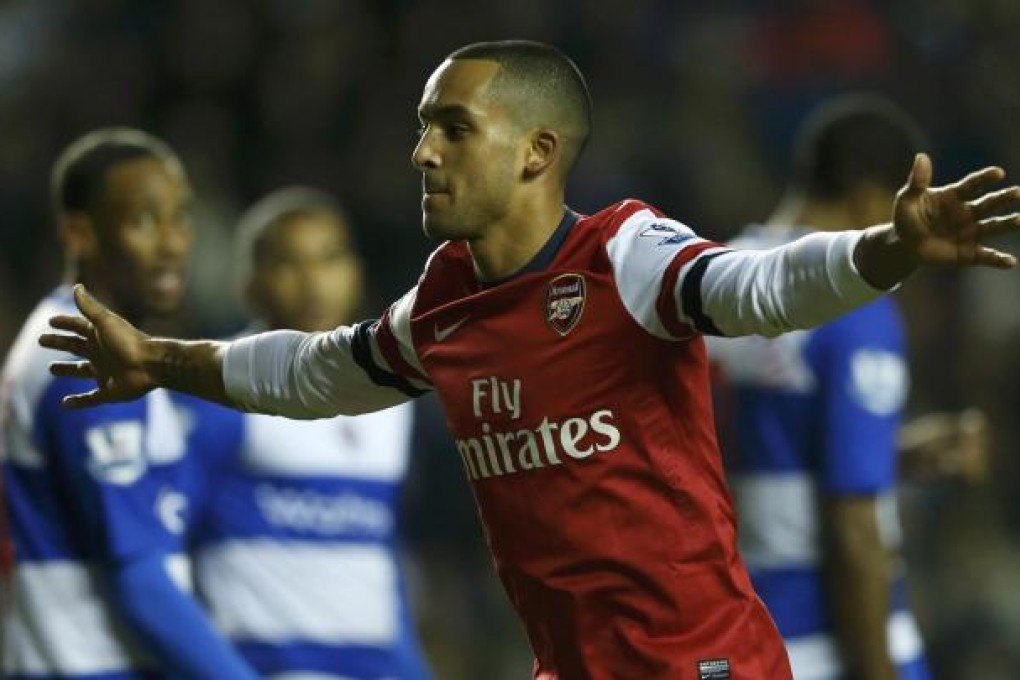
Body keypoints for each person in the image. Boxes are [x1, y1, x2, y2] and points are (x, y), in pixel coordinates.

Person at [39, 42, 1020, 679]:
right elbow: (311, 372)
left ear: (537, 151)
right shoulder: (446, 303)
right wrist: (161, 359)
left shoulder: (625, 255)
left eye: (453, 128)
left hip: (701, 664)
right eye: (424, 124)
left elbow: (759, 289)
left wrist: (884, 251)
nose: (423, 152)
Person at [707, 96, 950, 680]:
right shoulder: (854, 306)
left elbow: (761, 450)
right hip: (833, 641)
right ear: (875, 200)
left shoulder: (714, 283)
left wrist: (893, 455)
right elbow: (853, 528)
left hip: (736, 638)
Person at [0, 128, 257, 678]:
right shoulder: (74, 354)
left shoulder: (107, 347)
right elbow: (140, 583)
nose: (173, 243)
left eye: (181, 217)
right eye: (145, 220)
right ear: (81, 233)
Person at [186, 188, 432, 678]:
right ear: (250, 284)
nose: (313, 280)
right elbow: (166, 554)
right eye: (289, 263)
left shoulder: (390, 401)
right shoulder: (216, 391)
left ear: (355, 271)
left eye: (329, 258)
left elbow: (378, 559)